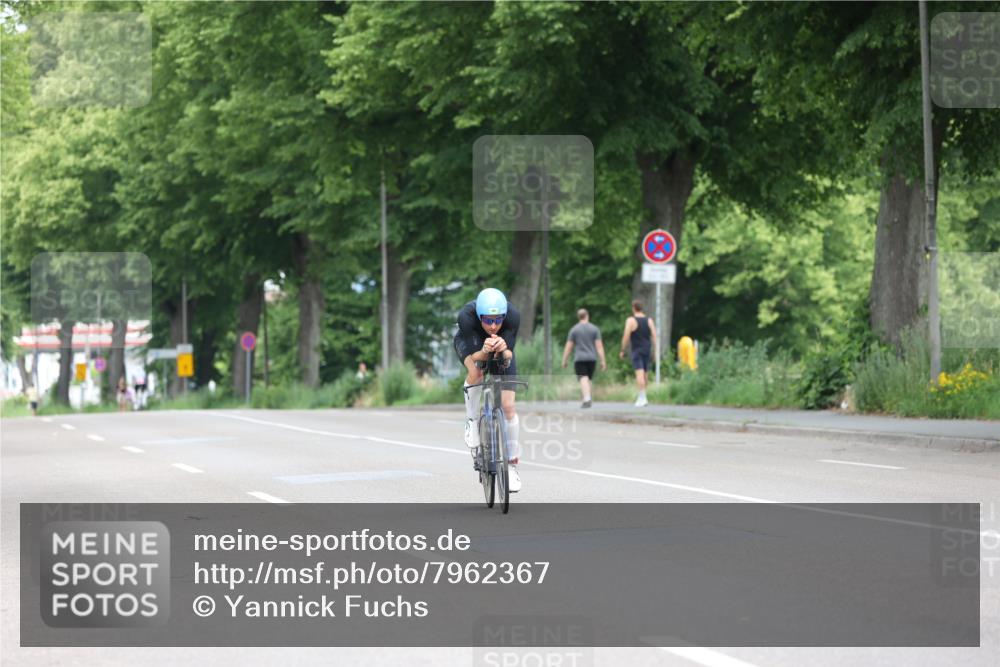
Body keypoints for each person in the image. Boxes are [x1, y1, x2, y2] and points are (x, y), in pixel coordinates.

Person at [453, 288, 522, 492]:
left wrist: (502, 348)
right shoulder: (467, 316)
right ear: (479, 316)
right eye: (488, 320)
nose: (493, 326)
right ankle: (472, 421)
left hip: (500, 350)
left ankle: (511, 465)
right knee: (477, 373)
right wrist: (484, 350)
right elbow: (475, 356)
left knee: (509, 406)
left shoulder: (513, 315)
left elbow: (509, 352)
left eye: (498, 320)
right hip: (471, 347)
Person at [562, 308, 606, 408]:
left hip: (580, 358)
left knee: (583, 378)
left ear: (579, 317)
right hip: (592, 358)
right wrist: (603, 360)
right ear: (587, 315)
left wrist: (564, 359)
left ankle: (587, 399)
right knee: (588, 379)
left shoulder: (574, 329)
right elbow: (599, 346)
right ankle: (588, 397)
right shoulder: (594, 329)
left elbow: (569, 346)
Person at [619, 300, 658, 407]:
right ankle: (644, 396)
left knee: (639, 374)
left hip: (637, 350)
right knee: (645, 374)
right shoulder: (649, 320)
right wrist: (655, 350)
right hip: (647, 349)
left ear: (633, 308)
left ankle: (642, 398)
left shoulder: (631, 320)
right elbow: (654, 335)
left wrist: (623, 349)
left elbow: (626, 335)